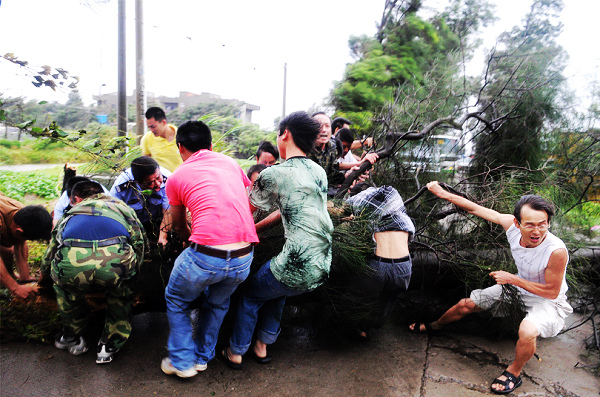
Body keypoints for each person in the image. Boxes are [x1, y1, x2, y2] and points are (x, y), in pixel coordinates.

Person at [409, 181, 572, 395]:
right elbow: (476, 208)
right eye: (530, 224)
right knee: (465, 305)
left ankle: (514, 372)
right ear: (517, 222)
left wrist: (513, 279)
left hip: (548, 300)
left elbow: (551, 291)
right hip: (520, 289)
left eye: (542, 224)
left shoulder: (556, 251)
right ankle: (436, 326)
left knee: (527, 331)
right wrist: (442, 194)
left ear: (548, 222)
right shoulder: (510, 226)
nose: (537, 231)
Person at [222, 111, 334, 370]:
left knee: (251, 295)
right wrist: (259, 229)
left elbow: (242, 212)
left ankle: (236, 351)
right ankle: (262, 346)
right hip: (323, 264)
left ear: (285, 135)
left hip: (298, 265)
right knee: (276, 288)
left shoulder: (273, 174)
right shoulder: (318, 172)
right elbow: (289, 210)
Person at [161, 120, 259, 378]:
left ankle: (182, 362)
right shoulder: (231, 163)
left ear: (179, 147)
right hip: (243, 256)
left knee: (176, 299)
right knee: (217, 303)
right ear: (212, 145)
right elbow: (247, 203)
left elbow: (179, 225)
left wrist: (185, 239)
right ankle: (203, 358)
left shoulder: (177, 177)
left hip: (206, 255)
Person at [42, 180, 146, 364]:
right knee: (121, 293)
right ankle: (109, 346)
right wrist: (134, 272)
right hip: (115, 264)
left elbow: (52, 250)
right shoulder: (122, 208)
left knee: (68, 294)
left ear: (76, 199)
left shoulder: (70, 213)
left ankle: (73, 339)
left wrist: (45, 276)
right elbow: (139, 242)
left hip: (73, 264)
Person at [343, 183, 415, 339]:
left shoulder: (367, 216)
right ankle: (376, 324)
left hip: (378, 266)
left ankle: (359, 329)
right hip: (404, 267)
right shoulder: (400, 213)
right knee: (389, 300)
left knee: (354, 297)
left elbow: (345, 207)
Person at [0, 193, 53, 299]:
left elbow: (20, 243)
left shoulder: (21, 211)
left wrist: (25, 278)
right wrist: (15, 288)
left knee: (7, 250)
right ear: (19, 231)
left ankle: (8, 278)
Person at [109, 157, 172, 246]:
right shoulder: (121, 186)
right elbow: (113, 213)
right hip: (133, 225)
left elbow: (168, 212)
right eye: (150, 183)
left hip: (159, 222)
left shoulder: (169, 180)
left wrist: (163, 237)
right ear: (138, 183)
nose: (158, 184)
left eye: (158, 177)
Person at [141, 107, 183, 172]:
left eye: (153, 127)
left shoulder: (182, 136)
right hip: (161, 180)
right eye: (149, 127)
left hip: (182, 179)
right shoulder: (147, 138)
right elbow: (146, 164)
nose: (151, 130)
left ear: (163, 122)